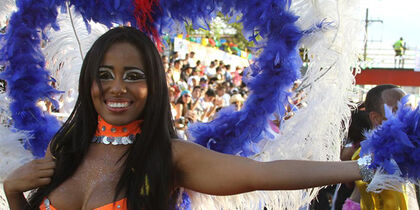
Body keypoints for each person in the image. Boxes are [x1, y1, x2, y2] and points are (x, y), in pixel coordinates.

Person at [4, 27, 364, 210]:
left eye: (133, 75)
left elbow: (262, 174)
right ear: (89, 81)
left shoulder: (169, 156)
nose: (116, 87)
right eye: (104, 74)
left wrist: (358, 169)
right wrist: (14, 192)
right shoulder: (65, 148)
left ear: (154, 86)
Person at [345, 84, 416, 210]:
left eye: (408, 109)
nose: (407, 116)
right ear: (376, 118)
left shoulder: (407, 150)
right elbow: (365, 181)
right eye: (397, 110)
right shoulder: (362, 156)